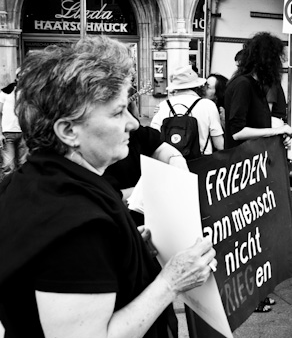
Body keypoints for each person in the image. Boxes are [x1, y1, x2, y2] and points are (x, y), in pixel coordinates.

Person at [0, 36, 217, 338]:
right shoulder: (73, 222)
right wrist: (171, 282)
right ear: (68, 130)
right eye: (117, 112)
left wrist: (126, 250)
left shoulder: (35, 181)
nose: (132, 123)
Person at [224, 32, 292, 311]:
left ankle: (256, 291)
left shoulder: (253, 85)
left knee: (255, 235)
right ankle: (250, 295)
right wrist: (274, 131)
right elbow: (237, 130)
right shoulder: (243, 85)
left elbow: (258, 125)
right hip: (242, 169)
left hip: (252, 167)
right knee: (247, 237)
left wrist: (278, 136)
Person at [151, 64, 224, 155]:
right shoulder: (208, 105)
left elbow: (153, 139)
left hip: (171, 160)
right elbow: (219, 145)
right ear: (197, 86)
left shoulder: (163, 106)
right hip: (202, 160)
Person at [0, 67, 28, 181]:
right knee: (9, 165)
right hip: (8, 133)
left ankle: (20, 188)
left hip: (24, 132)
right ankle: (7, 188)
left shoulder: (28, 93)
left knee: (23, 165)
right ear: (17, 77)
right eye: (21, 76)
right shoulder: (5, 92)